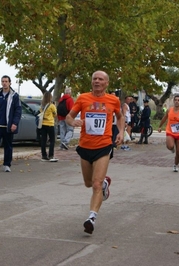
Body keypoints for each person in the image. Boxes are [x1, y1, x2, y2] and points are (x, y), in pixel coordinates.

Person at [66, 70, 125, 235]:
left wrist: (120, 132)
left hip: (104, 146)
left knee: (96, 184)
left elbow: (120, 117)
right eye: (94, 79)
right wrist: (74, 122)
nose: (97, 81)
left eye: (100, 79)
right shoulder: (83, 98)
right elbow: (68, 117)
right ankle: (105, 183)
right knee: (88, 183)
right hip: (85, 146)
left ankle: (91, 218)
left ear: (107, 83)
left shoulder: (113, 100)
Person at [157, 95, 179, 172]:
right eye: (175, 100)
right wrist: (160, 126)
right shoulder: (169, 110)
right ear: (173, 101)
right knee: (170, 146)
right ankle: (172, 149)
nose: (176, 101)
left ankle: (175, 165)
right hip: (170, 131)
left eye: (178, 100)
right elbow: (164, 118)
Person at [40, 91, 58, 162]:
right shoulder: (52, 105)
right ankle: (51, 155)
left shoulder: (42, 105)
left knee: (43, 140)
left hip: (43, 124)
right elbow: (55, 114)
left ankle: (44, 155)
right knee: (52, 140)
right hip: (50, 124)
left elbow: (40, 112)